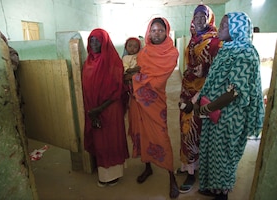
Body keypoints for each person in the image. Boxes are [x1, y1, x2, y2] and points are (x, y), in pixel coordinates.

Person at [195, 12, 265, 200]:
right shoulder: (227, 48)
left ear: (237, 28)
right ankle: (213, 188)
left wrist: (207, 109)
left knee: (224, 155)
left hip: (229, 116)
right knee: (212, 151)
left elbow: (235, 92)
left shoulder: (245, 52)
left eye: (225, 25)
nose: (220, 28)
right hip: (215, 111)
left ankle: (222, 194)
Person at [126, 17, 180, 198]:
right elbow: (139, 69)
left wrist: (134, 77)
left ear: (167, 32)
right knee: (141, 133)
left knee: (161, 135)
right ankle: (147, 167)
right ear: (149, 31)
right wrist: (136, 75)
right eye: (153, 30)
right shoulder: (144, 51)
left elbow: (157, 82)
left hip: (154, 101)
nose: (156, 34)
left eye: (160, 30)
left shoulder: (171, 53)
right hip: (137, 101)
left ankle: (171, 176)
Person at [176, 4, 221, 193]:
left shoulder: (215, 42)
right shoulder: (193, 40)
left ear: (210, 18)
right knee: (186, 131)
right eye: (196, 17)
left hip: (204, 95)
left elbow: (214, 74)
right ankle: (189, 167)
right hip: (187, 91)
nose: (199, 20)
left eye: (203, 16)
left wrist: (194, 98)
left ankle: (194, 174)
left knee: (197, 132)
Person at [82, 28, 129, 187]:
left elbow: (117, 89)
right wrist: (92, 110)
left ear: (105, 42)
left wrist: (99, 109)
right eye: (91, 40)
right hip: (93, 109)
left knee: (110, 140)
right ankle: (104, 172)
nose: (94, 43)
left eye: (97, 40)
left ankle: (112, 175)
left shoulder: (113, 61)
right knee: (100, 141)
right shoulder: (88, 62)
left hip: (109, 108)